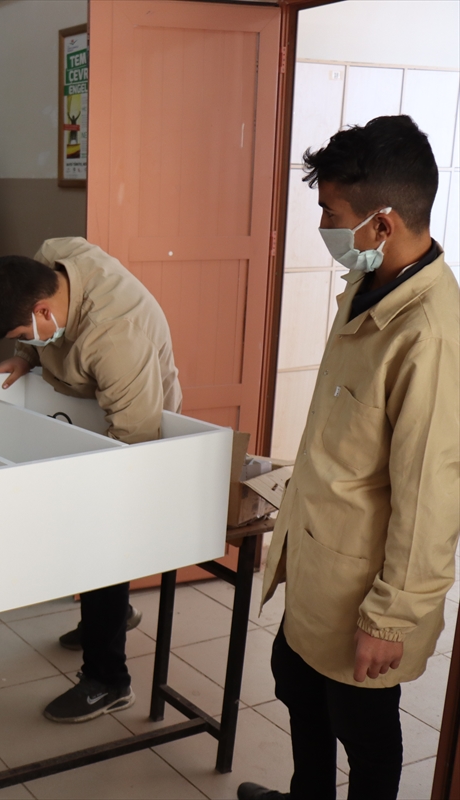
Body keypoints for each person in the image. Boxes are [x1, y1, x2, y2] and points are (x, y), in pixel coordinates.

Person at [237, 117, 459, 800]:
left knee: (362, 729)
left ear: (383, 224)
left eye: (332, 214)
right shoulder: (368, 289)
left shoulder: (428, 333)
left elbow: (430, 493)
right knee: (298, 688)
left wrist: (391, 618)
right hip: (318, 557)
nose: (325, 227)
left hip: (364, 584)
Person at [0, 237, 181, 723]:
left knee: (104, 530)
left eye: (24, 331)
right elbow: (37, 325)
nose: (25, 337)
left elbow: (135, 442)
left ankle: (109, 680)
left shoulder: (115, 338)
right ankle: (110, 616)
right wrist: (26, 353)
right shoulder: (52, 257)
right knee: (82, 517)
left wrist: (95, 490)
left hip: (138, 416)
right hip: (87, 395)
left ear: (43, 309)